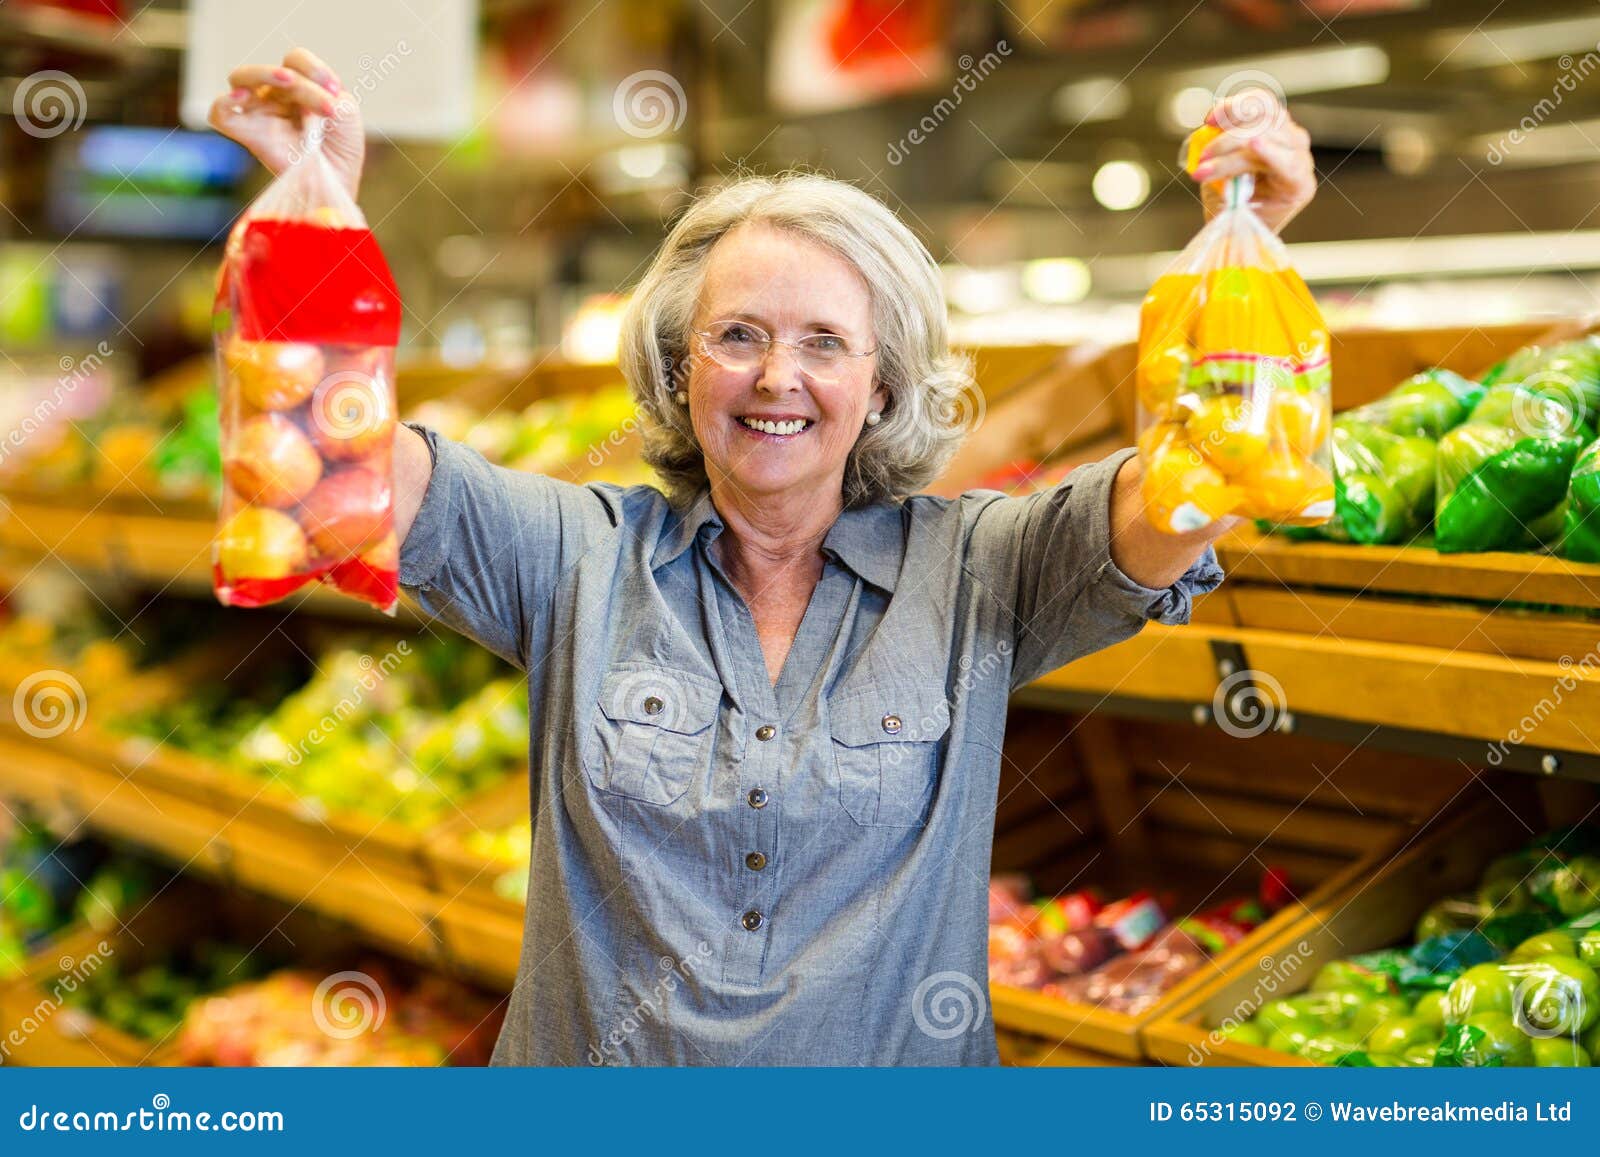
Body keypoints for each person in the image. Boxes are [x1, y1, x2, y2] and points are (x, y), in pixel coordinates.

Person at [210, 48, 1317, 1065]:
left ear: (881, 386)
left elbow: (1177, 502)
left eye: (824, 341)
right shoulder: (576, 556)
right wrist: (322, 200)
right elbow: (332, 454)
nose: (777, 376)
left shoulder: (978, 569)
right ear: (678, 367)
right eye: (736, 334)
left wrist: (1242, 236)